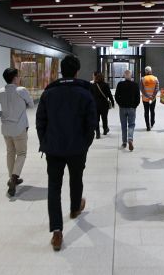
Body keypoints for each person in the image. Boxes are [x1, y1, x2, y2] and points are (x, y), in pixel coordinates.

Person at [36, 55, 97, 251]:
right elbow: (91, 124)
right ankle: (74, 208)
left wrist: (44, 141)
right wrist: (85, 144)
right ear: (77, 71)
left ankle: (56, 231)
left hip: (53, 147)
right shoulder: (85, 93)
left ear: (61, 70)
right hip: (77, 147)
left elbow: (40, 122)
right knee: (76, 178)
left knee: (54, 187)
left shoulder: (49, 93)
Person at [0, 68, 34, 197]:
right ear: (14, 77)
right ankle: (14, 178)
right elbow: (31, 104)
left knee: (10, 152)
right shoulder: (21, 90)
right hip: (19, 127)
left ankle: (12, 178)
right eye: (18, 76)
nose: (19, 78)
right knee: (22, 153)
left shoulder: (0, 91)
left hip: (6, 128)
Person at [115, 69, 141, 151]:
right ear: (131, 75)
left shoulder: (120, 84)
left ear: (124, 76)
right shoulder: (135, 85)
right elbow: (138, 97)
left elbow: (116, 96)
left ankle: (124, 142)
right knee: (131, 124)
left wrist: (120, 104)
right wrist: (135, 106)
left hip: (122, 108)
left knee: (123, 125)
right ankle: (130, 139)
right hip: (132, 108)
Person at [90, 72, 115, 139]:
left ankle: (97, 133)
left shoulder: (93, 85)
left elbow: (90, 96)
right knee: (104, 118)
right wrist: (112, 102)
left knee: (97, 119)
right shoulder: (105, 85)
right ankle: (105, 130)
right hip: (104, 105)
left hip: (95, 105)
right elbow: (109, 95)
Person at [140, 66, 159, 131]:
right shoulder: (155, 78)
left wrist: (148, 96)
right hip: (153, 99)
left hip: (145, 99)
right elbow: (157, 88)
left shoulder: (143, 79)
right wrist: (152, 96)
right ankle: (152, 122)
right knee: (152, 110)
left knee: (146, 112)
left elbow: (142, 89)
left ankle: (148, 126)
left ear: (145, 72)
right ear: (151, 71)